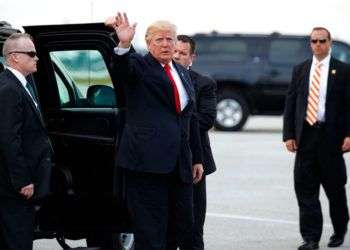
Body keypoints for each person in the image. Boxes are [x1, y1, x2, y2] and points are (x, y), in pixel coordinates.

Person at [105, 13, 204, 250]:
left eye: (170, 39)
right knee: (151, 231)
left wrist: (197, 158)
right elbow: (120, 72)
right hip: (147, 164)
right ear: (148, 44)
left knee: (183, 226)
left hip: (179, 164)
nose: (166, 44)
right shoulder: (138, 65)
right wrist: (124, 44)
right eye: (159, 40)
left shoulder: (181, 72)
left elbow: (189, 118)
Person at [283, 27, 350, 250]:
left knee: (335, 189)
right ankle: (310, 238)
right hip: (306, 136)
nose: (318, 44)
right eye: (314, 41)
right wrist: (289, 134)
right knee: (305, 190)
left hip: (331, 138)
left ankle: (340, 230)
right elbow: (291, 103)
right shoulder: (300, 69)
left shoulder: (343, 70)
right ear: (310, 44)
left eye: (323, 40)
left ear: (330, 42)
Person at [0, 33, 52, 250]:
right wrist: (22, 180)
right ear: (14, 57)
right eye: (31, 54)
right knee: (18, 239)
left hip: (19, 183)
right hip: (14, 186)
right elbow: (8, 139)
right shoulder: (8, 89)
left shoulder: (21, 84)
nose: (36, 58)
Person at [171, 34, 216, 250]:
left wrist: (178, 124)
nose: (177, 56)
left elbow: (207, 118)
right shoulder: (159, 78)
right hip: (164, 160)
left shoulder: (204, 83)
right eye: (175, 51)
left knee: (194, 224)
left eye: (183, 53)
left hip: (194, 160)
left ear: (192, 57)